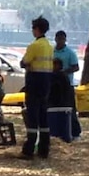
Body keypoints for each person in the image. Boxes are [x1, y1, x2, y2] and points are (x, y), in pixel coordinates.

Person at [19, 16, 54, 160]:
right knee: (43, 115)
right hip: (46, 81)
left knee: (32, 115)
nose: (32, 31)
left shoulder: (34, 46)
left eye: (33, 28)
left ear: (37, 29)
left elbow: (24, 62)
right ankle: (44, 149)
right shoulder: (49, 45)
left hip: (34, 80)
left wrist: (25, 64)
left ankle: (29, 149)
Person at [49, 58, 82, 141]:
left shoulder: (59, 76)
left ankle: (75, 133)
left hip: (64, 100)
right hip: (61, 101)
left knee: (71, 116)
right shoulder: (59, 76)